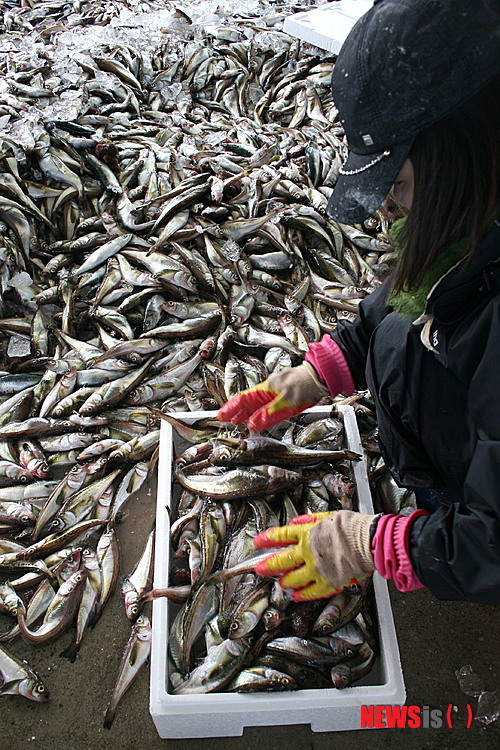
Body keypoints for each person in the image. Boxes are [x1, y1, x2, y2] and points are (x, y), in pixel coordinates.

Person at [218, 0, 500, 604]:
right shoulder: (470, 229)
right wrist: (321, 370)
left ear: (460, 148)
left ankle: (443, 532)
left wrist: (381, 545)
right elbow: (396, 308)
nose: (388, 207)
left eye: (395, 181)